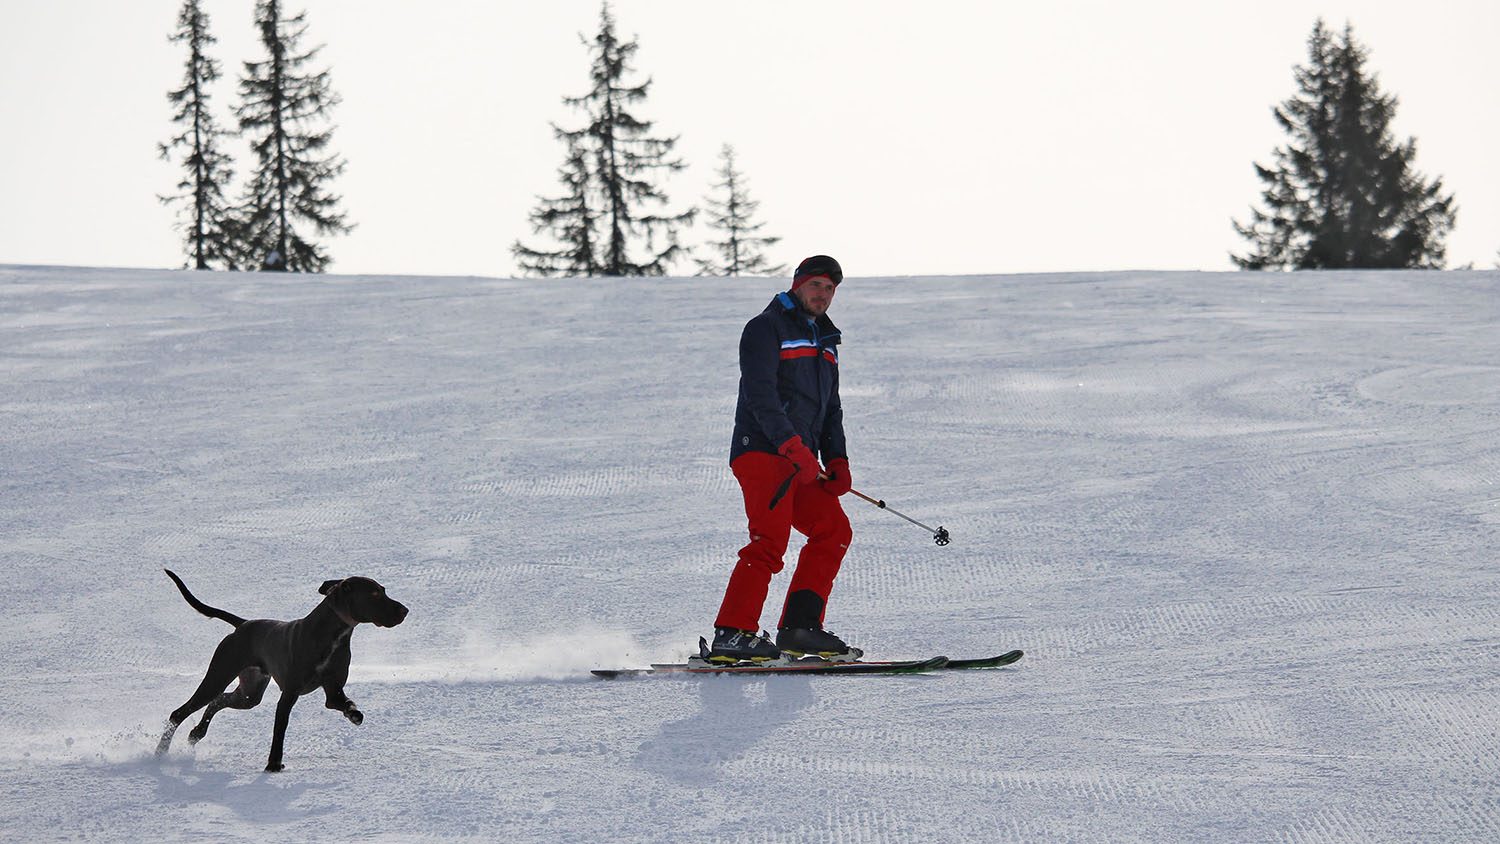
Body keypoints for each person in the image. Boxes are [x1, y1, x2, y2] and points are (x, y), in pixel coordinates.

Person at [708, 255, 859, 663]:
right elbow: (761, 395)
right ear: (797, 284)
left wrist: (838, 461)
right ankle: (732, 633)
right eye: (816, 286)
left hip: (801, 461)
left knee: (832, 529)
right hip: (762, 451)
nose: (823, 295)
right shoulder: (764, 328)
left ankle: (800, 629)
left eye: (830, 289)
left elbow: (832, 411)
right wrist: (791, 445)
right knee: (770, 540)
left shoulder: (826, 342)